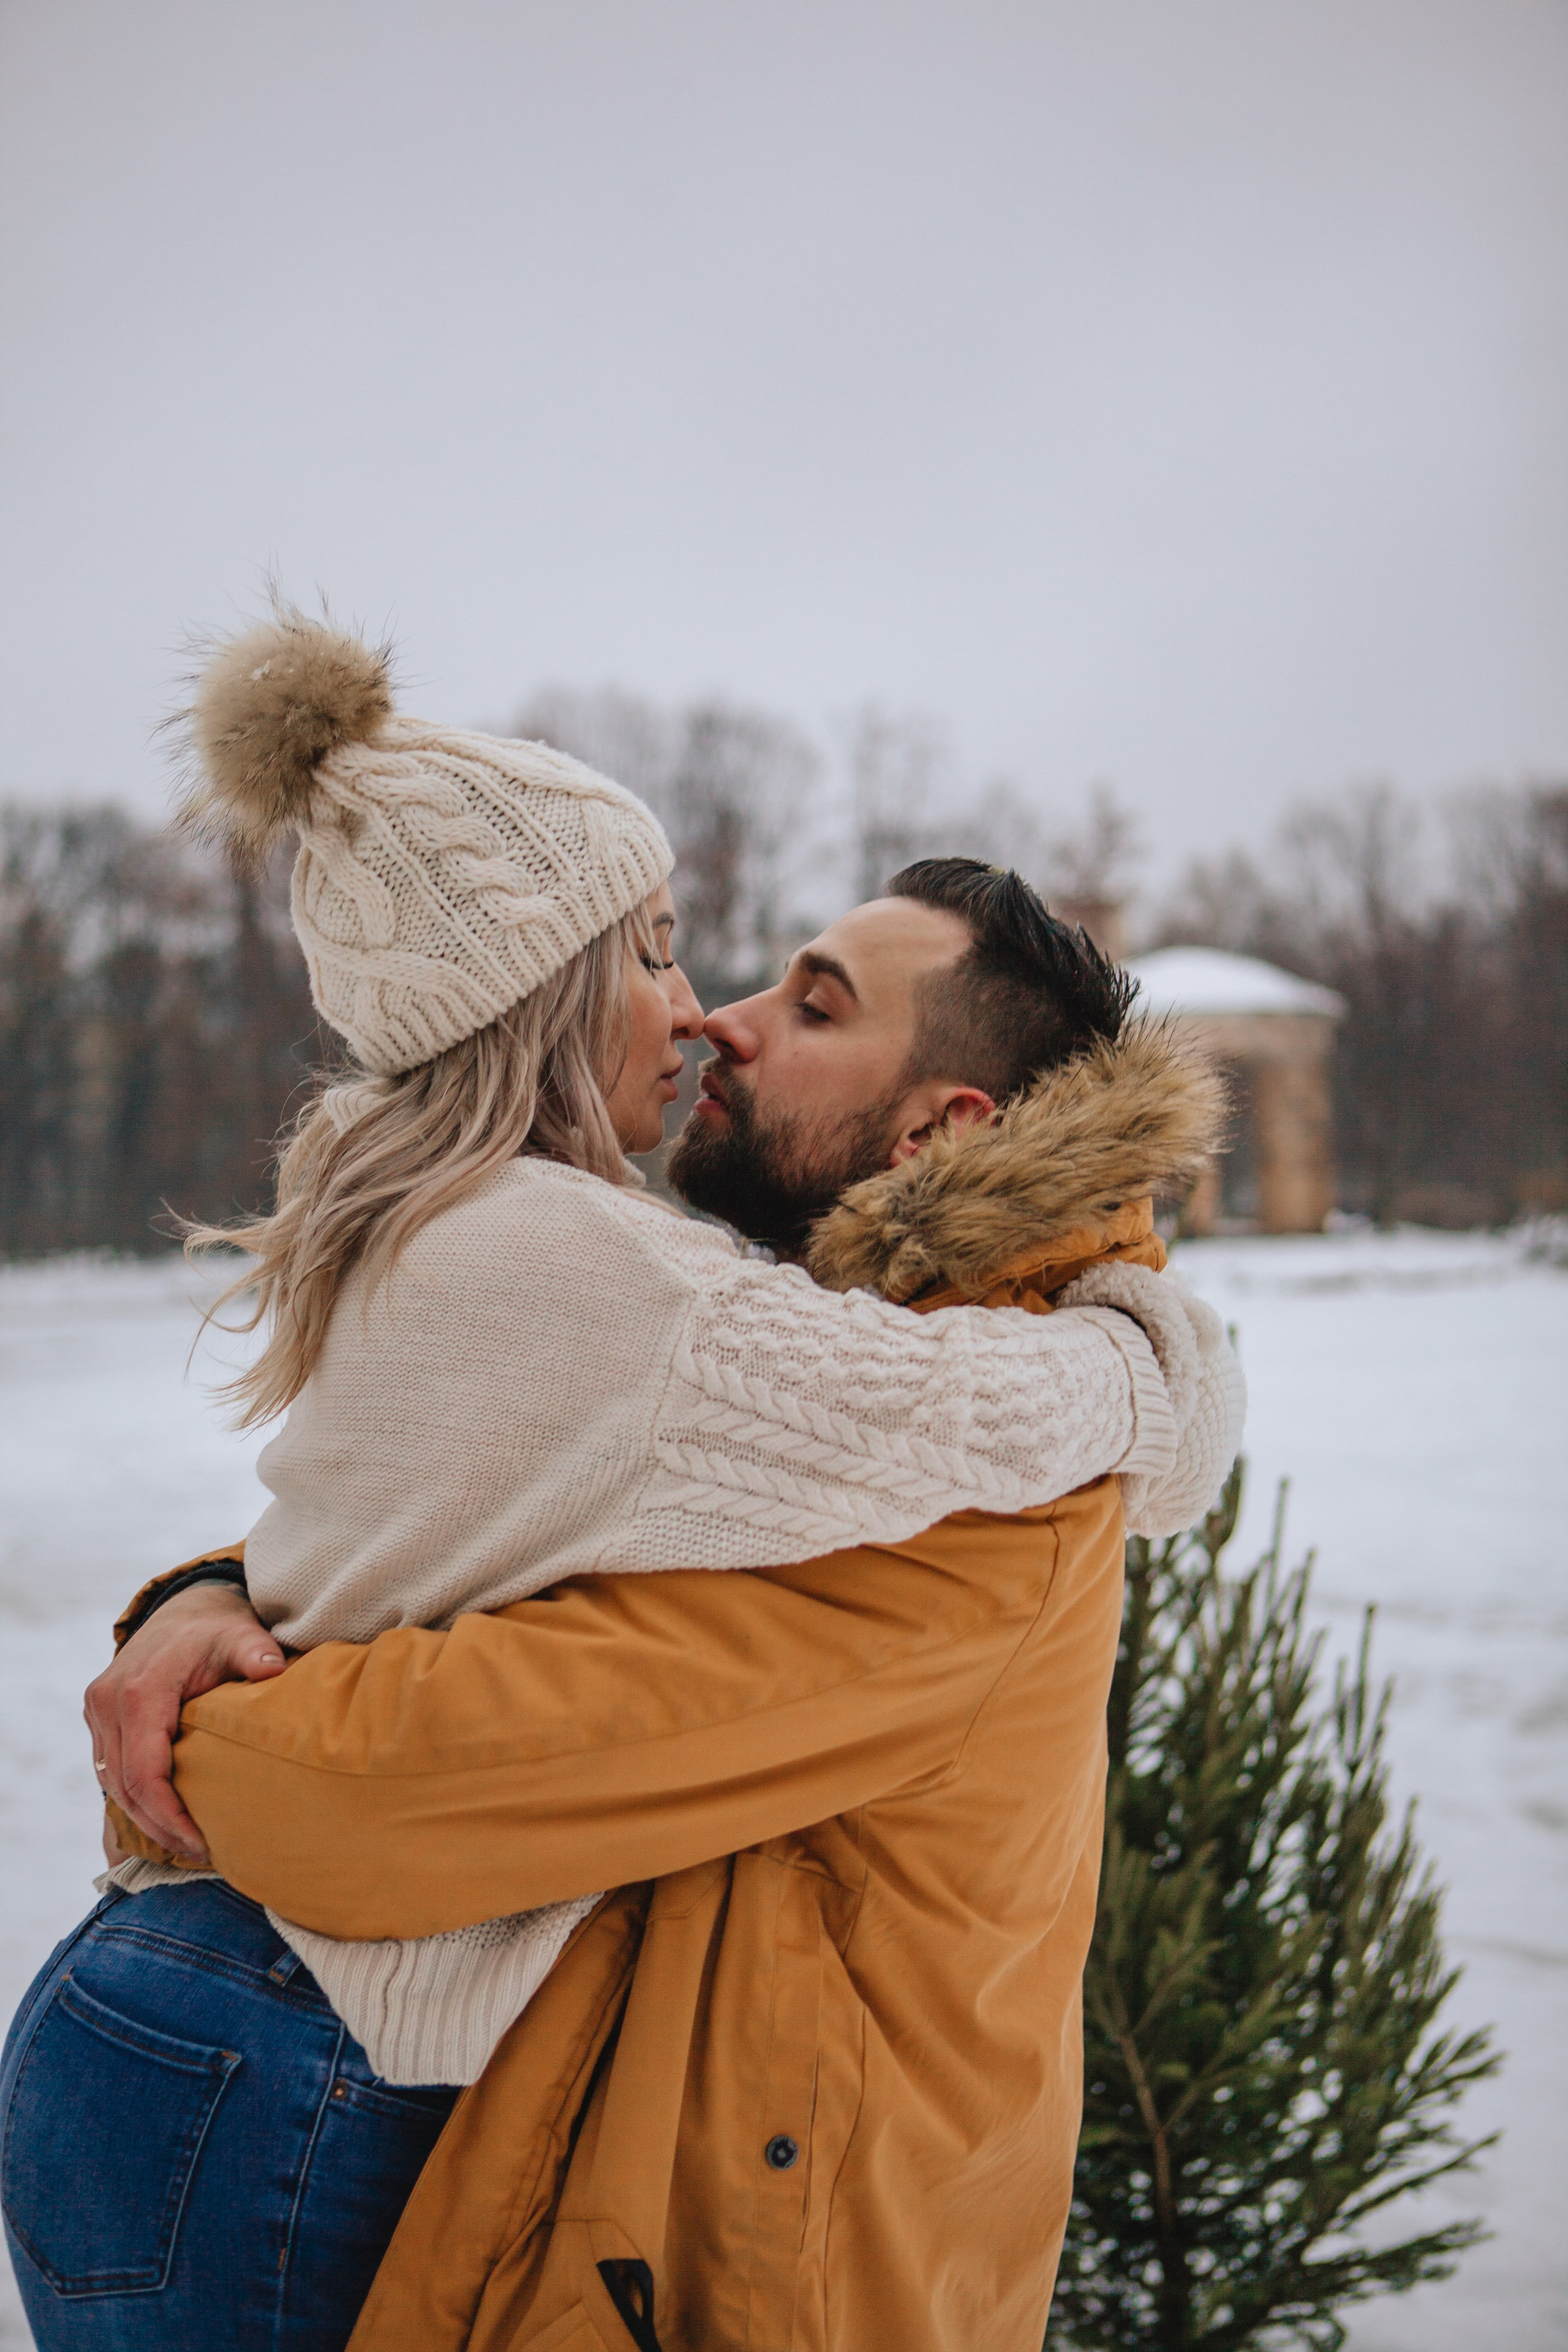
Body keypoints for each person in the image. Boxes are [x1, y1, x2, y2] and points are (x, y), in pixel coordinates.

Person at [2, 616, 1242, 2352]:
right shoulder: (663, 1299)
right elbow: (563, 1496)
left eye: (809, 1003)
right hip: (266, 2055)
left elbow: (407, 1740)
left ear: (941, 1131)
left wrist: (197, 1701)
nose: (714, 1016)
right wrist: (1159, 1371)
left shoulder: (941, 1505)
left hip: (262, 2044)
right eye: (662, 958)